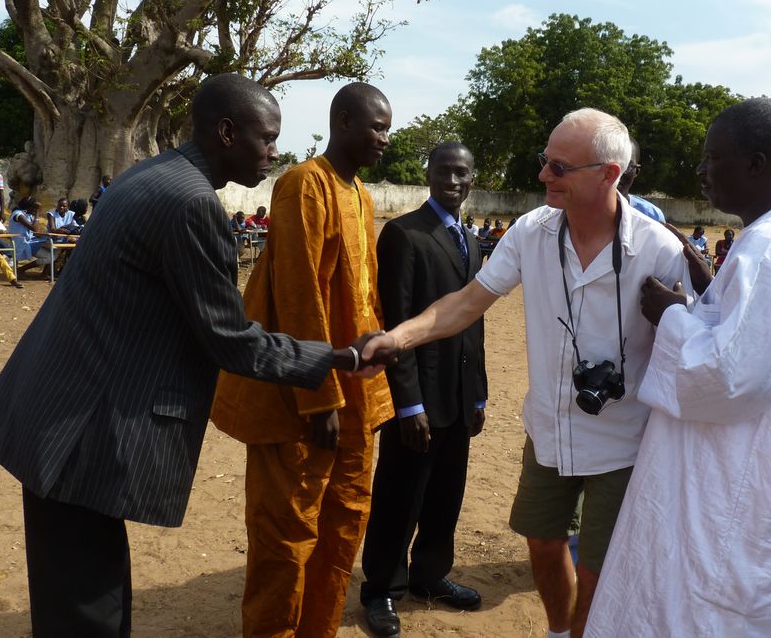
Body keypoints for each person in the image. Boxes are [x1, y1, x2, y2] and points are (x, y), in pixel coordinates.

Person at [0, 73, 385, 638]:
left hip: (57, 408)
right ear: (226, 131)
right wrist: (334, 361)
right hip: (81, 426)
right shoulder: (192, 205)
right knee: (86, 607)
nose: (275, 151)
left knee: (89, 586)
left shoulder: (153, 174)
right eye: (266, 138)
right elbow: (229, 339)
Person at [362, 108, 689, 638]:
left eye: (559, 167)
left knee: (597, 568)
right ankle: (561, 631)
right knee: (541, 541)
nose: (543, 176)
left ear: (608, 173)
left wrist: (680, 315)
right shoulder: (531, 232)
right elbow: (466, 303)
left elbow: (693, 354)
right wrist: (398, 337)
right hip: (550, 428)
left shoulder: (660, 251)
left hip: (624, 440)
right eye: (544, 162)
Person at [583, 97, 771, 637]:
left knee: (721, 602)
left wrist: (670, 317)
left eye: (713, 158)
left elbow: (728, 377)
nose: (702, 171)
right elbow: (770, 338)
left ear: (755, 164)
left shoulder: (770, 246)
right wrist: (713, 292)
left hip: (753, 475)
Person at [211, 82, 394, 638]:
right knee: (286, 537)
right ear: (341, 122)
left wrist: (373, 382)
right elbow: (297, 297)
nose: (385, 139)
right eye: (376, 126)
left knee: (343, 524)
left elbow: (365, 296)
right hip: (301, 397)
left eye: (387, 127)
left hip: (355, 394)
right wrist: (321, 399)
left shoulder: (360, 193)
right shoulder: (302, 186)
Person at [360, 142, 488, 636]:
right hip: (417, 399)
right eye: (443, 172)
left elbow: (473, 323)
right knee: (400, 494)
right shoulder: (404, 234)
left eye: (462, 173)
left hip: (458, 395)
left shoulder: (471, 242)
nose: (452, 181)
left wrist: (477, 393)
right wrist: (407, 402)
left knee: (445, 493)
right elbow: (398, 321)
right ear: (429, 174)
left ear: (473, 178)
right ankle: (382, 591)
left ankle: (430, 576)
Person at [616, 137, 665, 223]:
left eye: (627, 166)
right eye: (608, 164)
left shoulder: (652, 216)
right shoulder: (585, 212)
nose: (617, 173)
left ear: (637, 171)